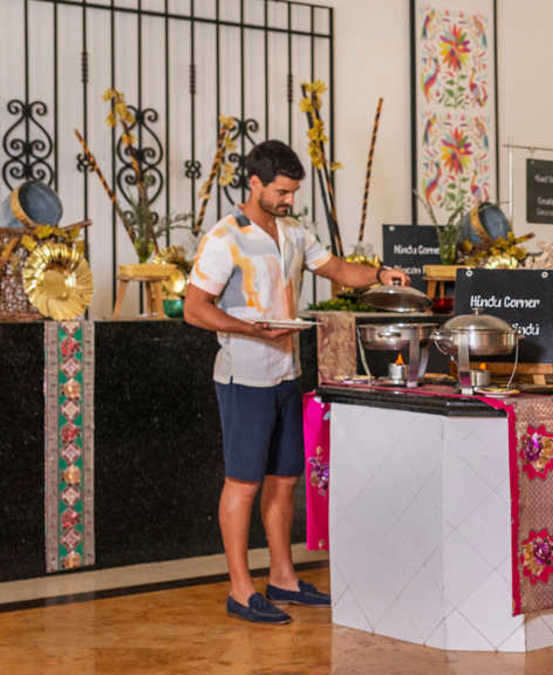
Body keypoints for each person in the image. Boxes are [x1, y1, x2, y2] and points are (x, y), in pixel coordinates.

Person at [183, 140, 409, 624]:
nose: (289, 200)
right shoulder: (225, 237)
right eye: (282, 192)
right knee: (243, 482)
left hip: (286, 372)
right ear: (255, 183)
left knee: (285, 480)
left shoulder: (294, 232)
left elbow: (338, 269)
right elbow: (194, 308)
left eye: (292, 192)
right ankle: (240, 589)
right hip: (244, 377)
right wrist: (250, 328)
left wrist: (380, 274)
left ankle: (283, 578)